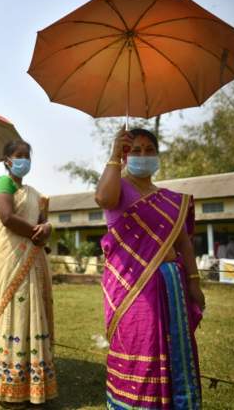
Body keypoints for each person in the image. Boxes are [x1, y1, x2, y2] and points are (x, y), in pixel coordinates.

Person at [94, 127, 205, 409]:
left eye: (149, 150)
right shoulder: (117, 186)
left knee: (174, 350)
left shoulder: (169, 199)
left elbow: (184, 243)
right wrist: (114, 156)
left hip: (171, 284)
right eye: (136, 150)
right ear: (126, 154)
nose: (143, 155)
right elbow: (103, 200)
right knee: (139, 343)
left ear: (157, 155)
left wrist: (193, 282)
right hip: (133, 288)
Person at [0, 140, 57, 405]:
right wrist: (37, 232)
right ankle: (9, 384)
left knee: (32, 312)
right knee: (13, 313)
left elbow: (41, 224)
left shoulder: (34, 193)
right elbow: (6, 217)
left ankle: (32, 383)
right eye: (19, 156)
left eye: (27, 156)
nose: (24, 160)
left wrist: (47, 228)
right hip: (11, 259)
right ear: (7, 160)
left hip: (31, 258)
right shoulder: (3, 183)